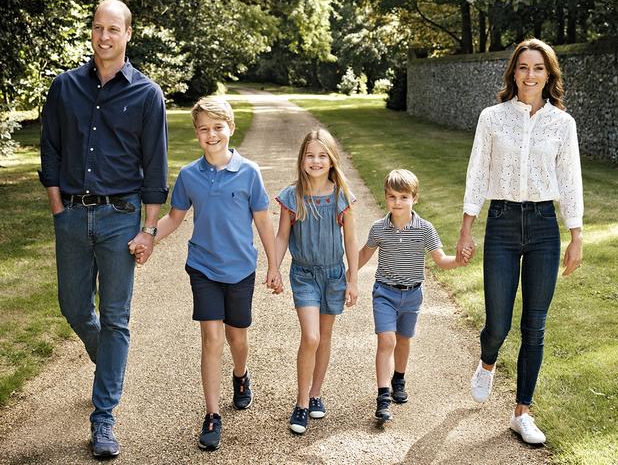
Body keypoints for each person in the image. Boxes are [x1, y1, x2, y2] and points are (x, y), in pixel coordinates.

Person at [39, 0, 168, 457]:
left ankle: (104, 419)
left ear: (128, 34)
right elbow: (50, 152)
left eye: (113, 29)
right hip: (71, 215)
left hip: (119, 219)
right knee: (73, 307)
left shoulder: (148, 95)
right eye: (97, 27)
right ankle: (108, 365)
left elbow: (155, 169)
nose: (104, 36)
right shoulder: (64, 87)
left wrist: (149, 230)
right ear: (91, 32)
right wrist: (58, 209)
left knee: (115, 319)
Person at [136, 95, 282, 451]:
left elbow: (263, 220)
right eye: (204, 129)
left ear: (230, 129)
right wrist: (148, 237)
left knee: (238, 338)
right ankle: (213, 414)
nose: (211, 135)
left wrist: (274, 265)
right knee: (211, 339)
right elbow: (175, 217)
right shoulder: (189, 175)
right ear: (197, 134)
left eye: (218, 127)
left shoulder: (249, 173)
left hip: (241, 269)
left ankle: (241, 375)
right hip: (203, 267)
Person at [456, 38, 583, 444]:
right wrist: (466, 228)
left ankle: (522, 412)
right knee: (497, 323)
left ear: (550, 75)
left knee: (535, 325)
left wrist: (575, 234)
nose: (530, 75)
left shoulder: (562, 124)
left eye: (538, 68)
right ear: (513, 72)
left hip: (545, 224)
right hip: (502, 222)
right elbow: (477, 172)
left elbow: (570, 181)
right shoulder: (492, 117)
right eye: (524, 67)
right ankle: (488, 362)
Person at [357, 169, 472, 422]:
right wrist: (348, 277)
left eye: (403, 197)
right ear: (386, 198)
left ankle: (399, 378)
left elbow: (441, 260)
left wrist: (459, 262)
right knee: (386, 341)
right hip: (384, 293)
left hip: (412, 296)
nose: (397, 203)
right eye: (391, 197)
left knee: (404, 340)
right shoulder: (379, 228)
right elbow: (364, 254)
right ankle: (383, 396)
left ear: (414, 198)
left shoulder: (425, 229)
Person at [274, 128, 359, 434]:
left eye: (322, 155)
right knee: (310, 337)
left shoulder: (341, 196)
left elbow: (350, 239)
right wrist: (274, 266)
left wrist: (353, 279)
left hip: (334, 275)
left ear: (332, 160)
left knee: (324, 337)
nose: (316, 161)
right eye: (310, 155)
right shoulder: (292, 196)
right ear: (302, 159)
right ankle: (300, 404)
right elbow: (282, 235)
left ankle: (315, 394)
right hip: (305, 275)